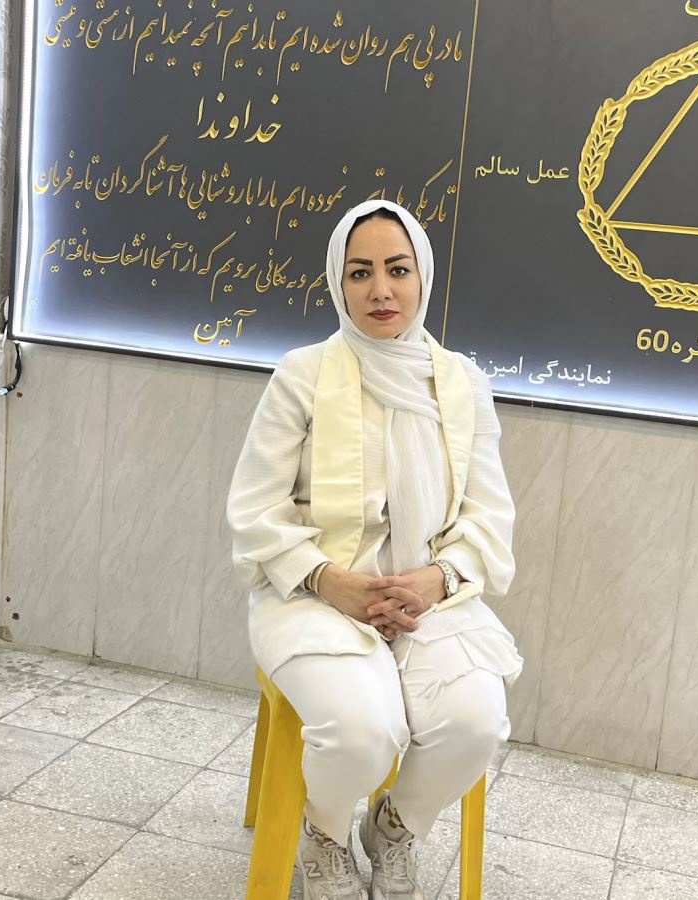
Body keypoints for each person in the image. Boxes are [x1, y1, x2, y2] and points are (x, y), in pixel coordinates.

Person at [226, 198, 522, 900]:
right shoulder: (303, 374)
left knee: (477, 723)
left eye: (398, 269)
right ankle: (325, 834)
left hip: (427, 598)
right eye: (360, 272)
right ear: (338, 282)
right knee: (363, 732)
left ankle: (394, 827)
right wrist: (327, 579)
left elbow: (489, 512)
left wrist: (438, 578)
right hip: (313, 594)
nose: (381, 290)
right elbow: (255, 506)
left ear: (424, 277)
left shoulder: (463, 384)